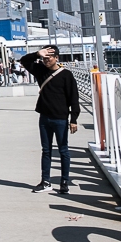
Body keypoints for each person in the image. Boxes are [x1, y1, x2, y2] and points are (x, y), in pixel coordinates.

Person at [19, 46, 80, 194]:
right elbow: (24, 61)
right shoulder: (40, 70)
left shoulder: (66, 75)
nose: (46, 60)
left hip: (60, 118)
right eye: (44, 58)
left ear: (56, 58)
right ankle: (45, 181)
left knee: (63, 150)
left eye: (49, 58)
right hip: (44, 118)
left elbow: (74, 98)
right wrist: (37, 54)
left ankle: (64, 182)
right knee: (46, 151)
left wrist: (73, 119)